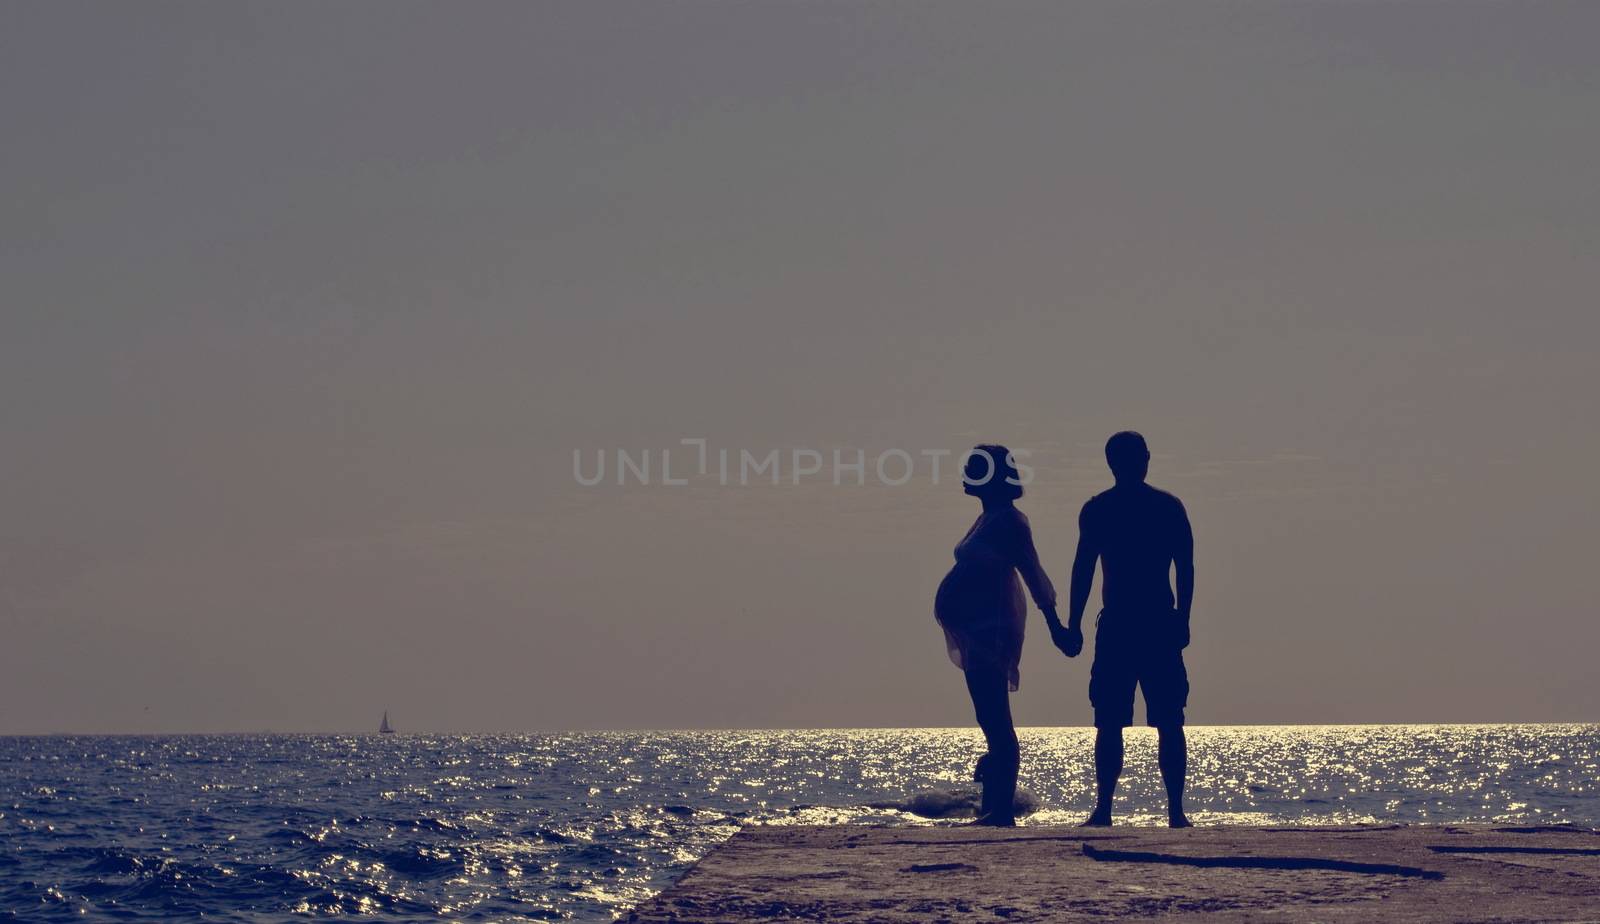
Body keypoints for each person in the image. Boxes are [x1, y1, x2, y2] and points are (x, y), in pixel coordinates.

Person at [1056, 431, 1195, 827]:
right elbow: (1083, 568)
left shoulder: (1156, 507)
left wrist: (1183, 618)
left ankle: (1168, 810)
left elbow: (1185, 566)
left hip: (1146, 623)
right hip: (1129, 623)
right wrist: (1076, 622)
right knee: (1117, 719)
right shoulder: (1113, 509)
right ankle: (1114, 809)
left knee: (1161, 718)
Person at [934, 444, 1061, 826]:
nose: (964, 473)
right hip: (976, 631)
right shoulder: (988, 517)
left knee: (996, 718)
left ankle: (1001, 810)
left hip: (992, 631)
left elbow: (1033, 574)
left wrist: (1056, 626)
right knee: (988, 716)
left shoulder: (1009, 521)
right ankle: (994, 804)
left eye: (972, 467)